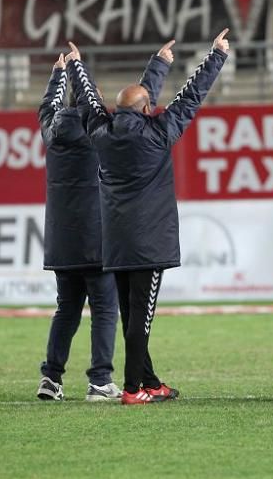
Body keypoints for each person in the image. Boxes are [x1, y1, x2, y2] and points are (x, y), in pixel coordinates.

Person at [87, 30, 230, 405]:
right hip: (149, 244)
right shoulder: (159, 133)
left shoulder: (100, 132)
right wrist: (216, 55)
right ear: (148, 110)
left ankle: (149, 381)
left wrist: (156, 64)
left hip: (116, 243)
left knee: (132, 318)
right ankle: (133, 390)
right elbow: (190, 96)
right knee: (141, 322)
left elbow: (97, 101)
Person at [35, 41, 168, 402]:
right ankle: (99, 380)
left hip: (61, 240)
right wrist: (157, 65)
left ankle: (51, 377)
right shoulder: (102, 131)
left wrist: (59, 73)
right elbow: (139, 107)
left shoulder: (51, 129)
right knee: (106, 310)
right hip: (99, 235)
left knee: (66, 309)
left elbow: (48, 104)